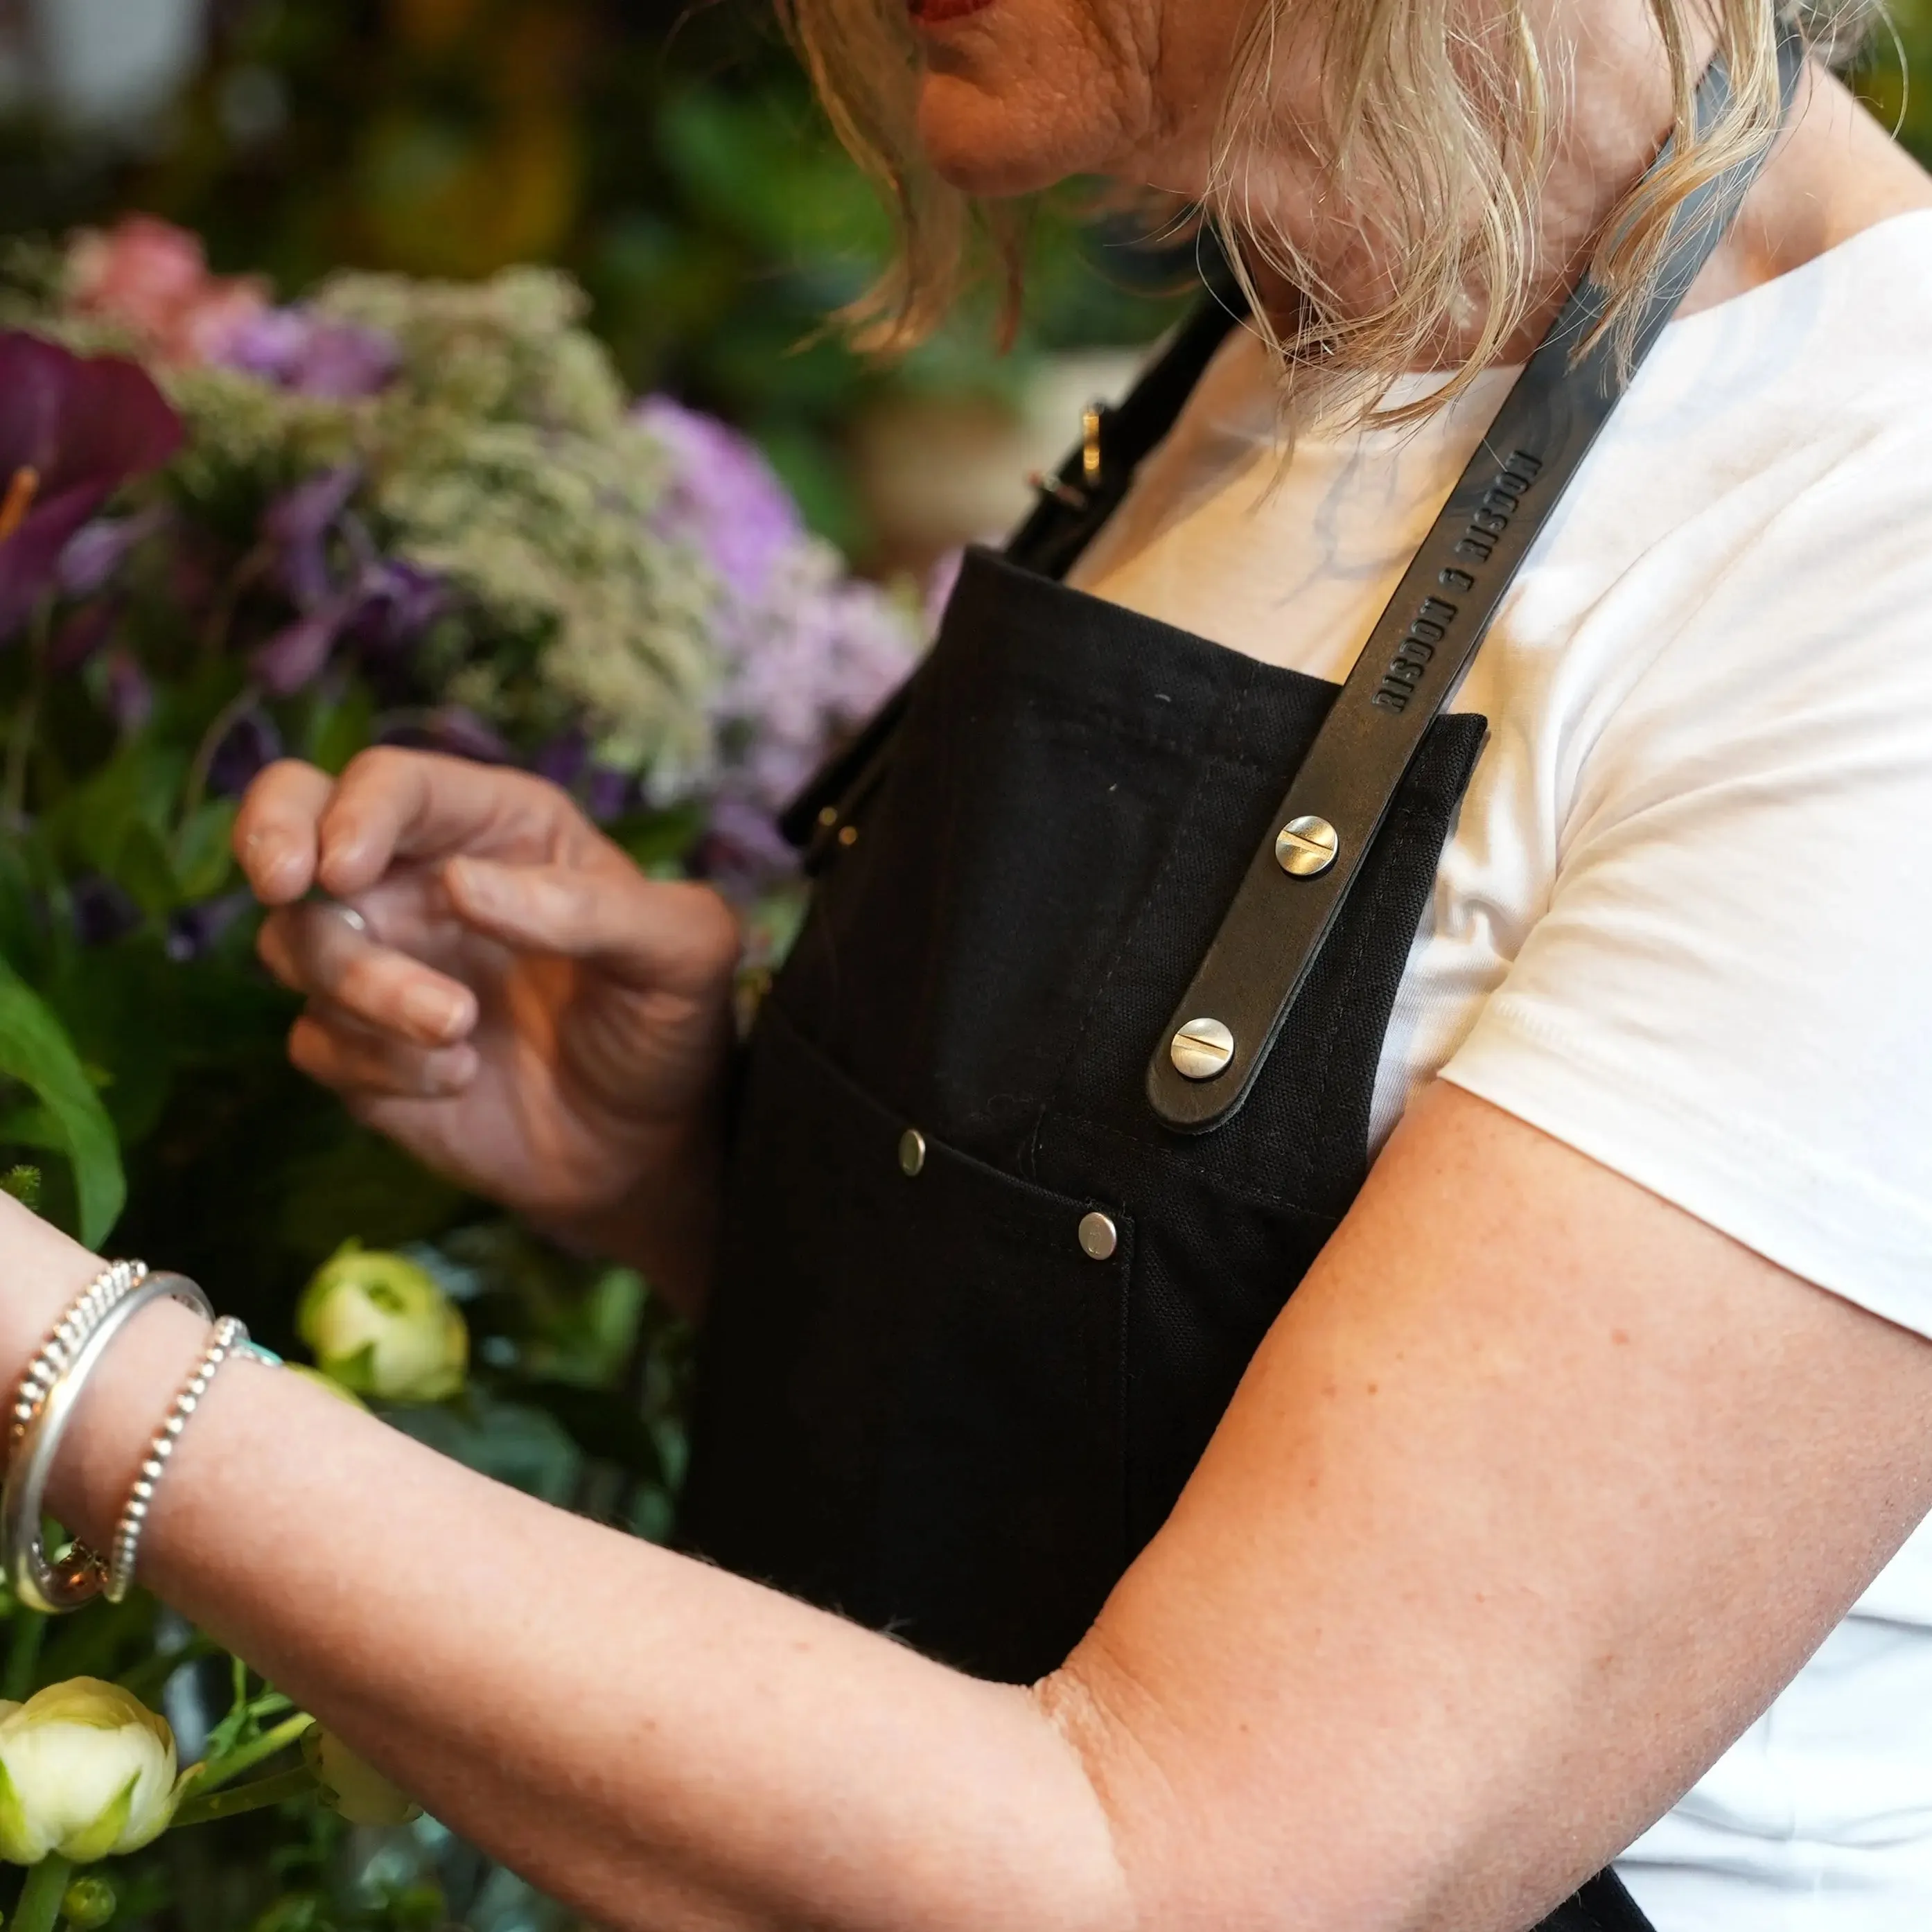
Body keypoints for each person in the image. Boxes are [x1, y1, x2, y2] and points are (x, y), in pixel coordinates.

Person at [4, 1, 1932, 1926]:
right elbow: (1138, 1434)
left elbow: (1181, 1871)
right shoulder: (1304, 333)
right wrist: (691, 1173)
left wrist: (69, 1366)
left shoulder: (1873, 557)